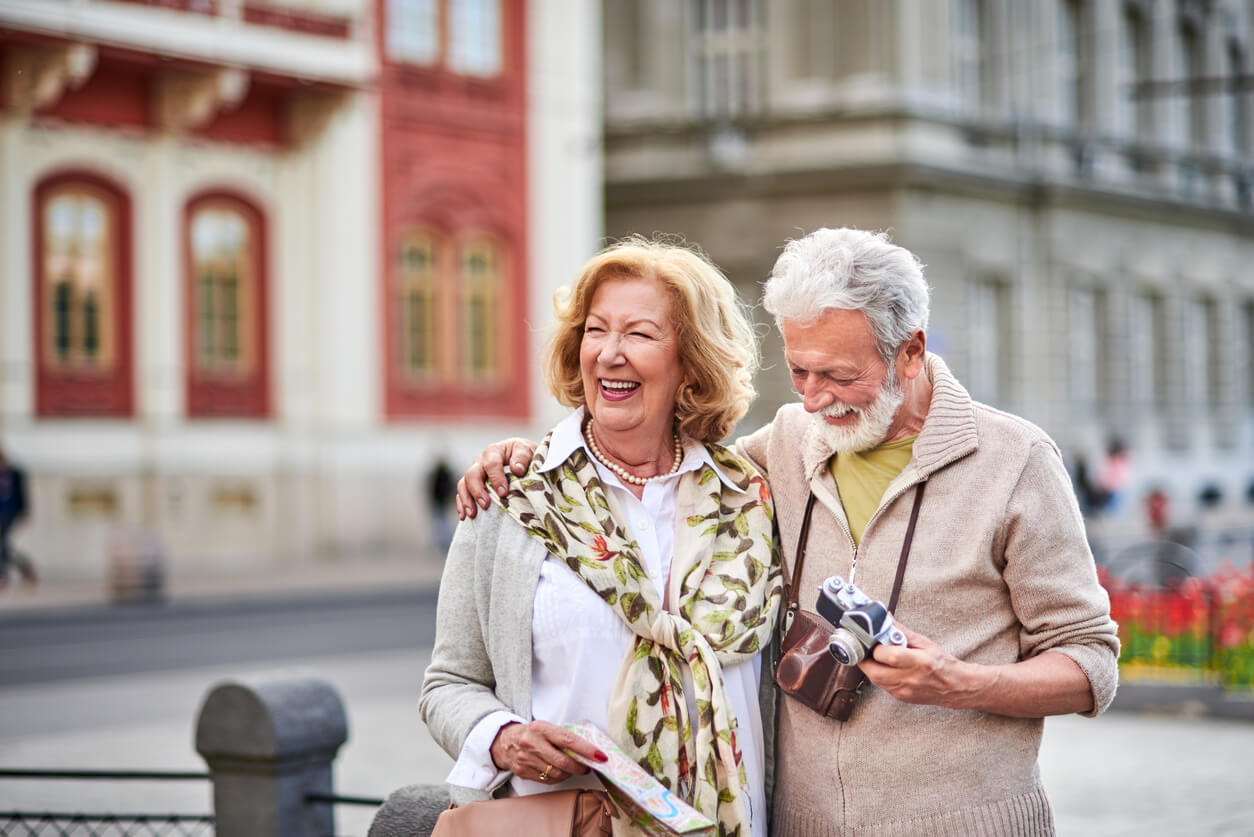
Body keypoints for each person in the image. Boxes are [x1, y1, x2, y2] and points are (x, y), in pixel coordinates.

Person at [458, 227, 1121, 835]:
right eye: (798, 369)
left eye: (837, 374)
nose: (811, 397)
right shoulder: (780, 449)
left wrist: (958, 681)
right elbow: (635, 466)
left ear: (911, 352)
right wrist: (527, 458)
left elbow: (1090, 663)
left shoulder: (1015, 462)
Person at [419, 237, 782, 836]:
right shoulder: (512, 499)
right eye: (595, 330)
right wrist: (504, 739)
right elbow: (448, 683)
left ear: (690, 362)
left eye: (639, 334)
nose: (610, 354)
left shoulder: (751, 495)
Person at [0, 446, 37, 590]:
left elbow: (22, 494)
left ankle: (3, 577)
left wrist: (25, 511)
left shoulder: (15, 474)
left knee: (2, 545)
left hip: (10, 514)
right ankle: (24, 567)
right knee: (3, 547)